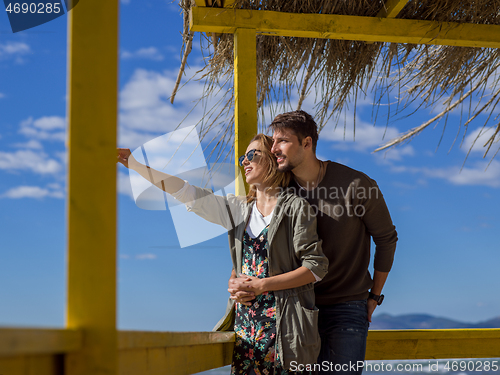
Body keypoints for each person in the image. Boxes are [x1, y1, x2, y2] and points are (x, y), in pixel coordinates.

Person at [117, 133, 329, 374]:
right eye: (243, 158)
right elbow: (185, 192)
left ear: (273, 159)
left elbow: (316, 267)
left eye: (252, 155)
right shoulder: (239, 210)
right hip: (246, 331)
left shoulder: (296, 207)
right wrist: (135, 164)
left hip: (288, 330)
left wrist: (263, 285)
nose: (245, 162)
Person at [229, 111, 398, 374]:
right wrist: (238, 281)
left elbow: (386, 239)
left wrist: (375, 295)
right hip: (296, 308)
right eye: (273, 142)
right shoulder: (282, 193)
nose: (273, 149)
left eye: (282, 141)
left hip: (347, 307)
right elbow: (256, 244)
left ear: (307, 143)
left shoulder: (356, 184)